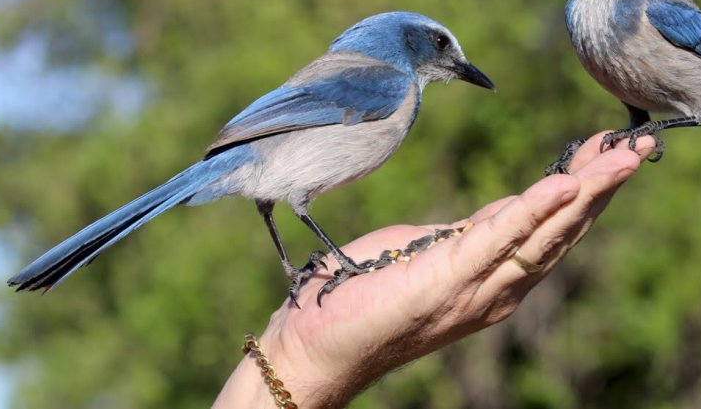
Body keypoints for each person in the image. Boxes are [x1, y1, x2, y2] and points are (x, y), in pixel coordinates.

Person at [214, 133, 655, 408]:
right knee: (295, 200)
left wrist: (294, 357)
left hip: (261, 153)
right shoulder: (385, 80)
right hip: (262, 148)